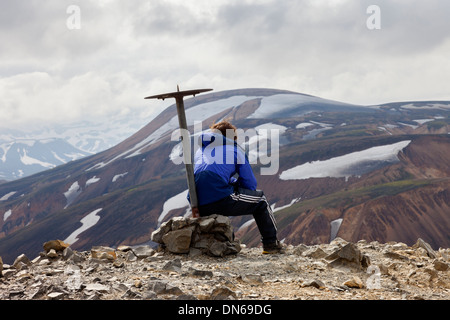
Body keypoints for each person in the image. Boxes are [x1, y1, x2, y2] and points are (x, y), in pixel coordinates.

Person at [190, 120, 285, 254]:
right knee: (261, 201)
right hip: (220, 198)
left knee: (224, 197)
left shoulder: (201, 150)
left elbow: (211, 174)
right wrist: (238, 186)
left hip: (197, 203)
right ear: (232, 137)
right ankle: (271, 245)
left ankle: (226, 244)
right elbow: (250, 183)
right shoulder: (234, 150)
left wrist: (230, 182)